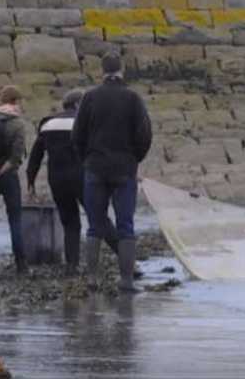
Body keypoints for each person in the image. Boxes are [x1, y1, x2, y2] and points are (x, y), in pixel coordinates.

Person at [72, 55, 152, 292]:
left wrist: (87, 160)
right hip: (124, 169)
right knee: (125, 224)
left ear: (102, 71)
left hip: (95, 168)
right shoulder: (133, 98)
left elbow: (77, 136)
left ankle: (92, 279)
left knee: (95, 225)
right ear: (122, 70)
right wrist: (134, 159)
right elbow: (144, 135)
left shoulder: (90, 97)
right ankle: (126, 280)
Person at [27, 90, 122, 276]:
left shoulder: (48, 124)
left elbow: (35, 156)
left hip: (57, 179)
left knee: (70, 222)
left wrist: (31, 180)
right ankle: (125, 257)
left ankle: (72, 266)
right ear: (79, 105)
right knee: (100, 218)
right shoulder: (85, 123)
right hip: (83, 178)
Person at [0, 86, 28, 274]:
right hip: (8, 175)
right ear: (15, 101)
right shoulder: (17, 123)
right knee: (15, 220)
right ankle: (21, 263)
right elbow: (16, 156)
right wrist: (2, 171)